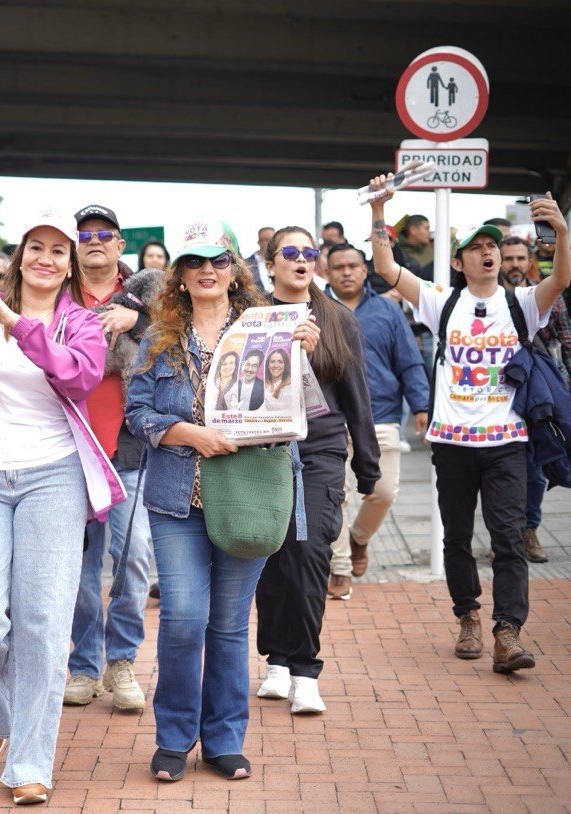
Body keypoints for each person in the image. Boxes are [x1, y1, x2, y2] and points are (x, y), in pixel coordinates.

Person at [0, 209, 121, 805]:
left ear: (69, 267)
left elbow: (78, 379)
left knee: (42, 623)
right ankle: (4, 713)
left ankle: (31, 763)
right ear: (19, 256)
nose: (46, 257)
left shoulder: (83, 325)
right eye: (35, 247)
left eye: (58, 251)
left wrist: (17, 323)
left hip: (54, 478)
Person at [125, 218, 320, 782]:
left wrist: (304, 353)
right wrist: (189, 434)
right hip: (177, 498)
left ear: (234, 270)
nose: (207, 271)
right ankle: (174, 737)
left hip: (247, 495)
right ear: (179, 275)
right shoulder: (157, 338)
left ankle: (224, 739)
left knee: (230, 626)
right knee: (184, 619)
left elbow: (301, 413)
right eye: (194, 262)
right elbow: (139, 415)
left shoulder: (271, 326)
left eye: (218, 261)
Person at [367, 175, 571, 673]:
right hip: (452, 443)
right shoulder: (444, 302)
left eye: (493, 247)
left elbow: (560, 281)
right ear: (458, 262)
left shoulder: (522, 305)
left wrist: (562, 235)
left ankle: (507, 633)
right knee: (456, 536)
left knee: (508, 535)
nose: (487, 254)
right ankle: (468, 617)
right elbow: (387, 268)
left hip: (507, 441)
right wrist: (379, 214)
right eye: (475, 248)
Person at [255, 227, 379, 714]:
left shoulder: (337, 319)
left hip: (319, 451)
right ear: (271, 264)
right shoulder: (252, 315)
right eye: (291, 253)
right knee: (269, 557)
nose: (302, 260)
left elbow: (357, 396)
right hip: (262, 452)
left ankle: (305, 667)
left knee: (309, 554)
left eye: (310, 253)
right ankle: (277, 660)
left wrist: (366, 467)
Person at [64, 204, 153, 714]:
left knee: (135, 554)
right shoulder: (57, 295)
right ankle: (83, 665)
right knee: (79, 566)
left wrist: (136, 319)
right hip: (68, 451)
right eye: (85, 234)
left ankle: (122, 662)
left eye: (105, 234)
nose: (94, 240)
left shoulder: (148, 296)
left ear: (121, 246)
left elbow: (179, 337)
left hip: (129, 452)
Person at [324, 243, 430, 600]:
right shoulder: (316, 311)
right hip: (330, 417)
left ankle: (358, 539)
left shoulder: (387, 310)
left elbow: (409, 360)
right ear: (327, 272)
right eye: (338, 267)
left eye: (353, 265)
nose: (346, 272)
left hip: (381, 414)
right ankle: (338, 568)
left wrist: (421, 405)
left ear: (365, 268)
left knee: (383, 492)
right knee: (334, 496)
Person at [499, 235, 571, 564]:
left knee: (534, 466)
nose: (514, 265)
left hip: (537, 396)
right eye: (508, 258)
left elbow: (567, 339)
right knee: (497, 470)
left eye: (520, 258)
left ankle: (528, 530)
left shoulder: (545, 296)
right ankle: (503, 533)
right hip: (495, 395)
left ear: (529, 259)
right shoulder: (486, 298)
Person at [243, 227, 275, 294]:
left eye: (273, 240)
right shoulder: (245, 265)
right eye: (266, 240)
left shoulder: (283, 262)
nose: (270, 243)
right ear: (259, 242)